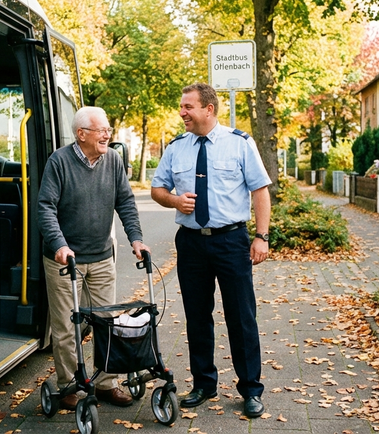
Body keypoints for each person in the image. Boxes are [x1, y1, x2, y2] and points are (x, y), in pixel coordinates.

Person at [150, 83, 271, 418]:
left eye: (188, 106)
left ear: (209, 109)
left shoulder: (240, 143)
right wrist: (174, 200)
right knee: (197, 316)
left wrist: (261, 236)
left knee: (241, 316)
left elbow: (260, 191)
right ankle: (204, 384)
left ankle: (250, 389)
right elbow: (157, 188)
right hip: (190, 243)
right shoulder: (176, 147)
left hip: (231, 241)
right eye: (181, 106)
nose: (182, 112)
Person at [37, 106, 150, 410]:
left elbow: (125, 202)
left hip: (101, 257)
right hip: (64, 261)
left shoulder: (112, 160)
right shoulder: (59, 162)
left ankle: (106, 384)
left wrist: (136, 239)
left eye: (108, 130)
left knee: (106, 323)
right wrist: (59, 244)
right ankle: (69, 385)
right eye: (101, 130)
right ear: (81, 134)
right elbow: (45, 207)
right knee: (66, 328)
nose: (107, 134)